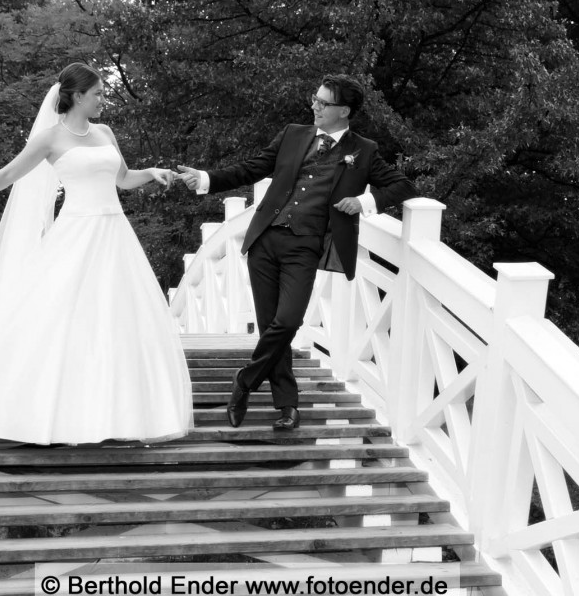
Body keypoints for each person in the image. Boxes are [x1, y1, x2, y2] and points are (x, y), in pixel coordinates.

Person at [0, 62, 193, 445]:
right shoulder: (50, 139)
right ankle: (40, 412)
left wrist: (151, 171)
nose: (104, 99)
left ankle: (116, 415)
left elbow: (121, 179)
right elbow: (8, 174)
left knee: (116, 320)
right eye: (98, 94)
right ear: (76, 96)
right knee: (57, 316)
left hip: (114, 234)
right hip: (75, 232)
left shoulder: (105, 133)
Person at [177, 74, 418, 431]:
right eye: (315, 99)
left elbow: (403, 185)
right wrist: (207, 178)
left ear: (344, 111)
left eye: (323, 103)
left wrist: (364, 200)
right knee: (271, 327)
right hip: (265, 240)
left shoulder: (363, 150)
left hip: (304, 248)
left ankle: (244, 381)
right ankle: (287, 406)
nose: (315, 106)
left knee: (287, 322)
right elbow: (252, 168)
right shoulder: (293, 134)